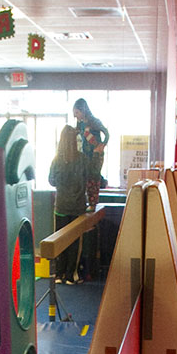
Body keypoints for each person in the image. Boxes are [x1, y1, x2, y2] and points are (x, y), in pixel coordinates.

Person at [71, 98, 109, 278]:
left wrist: (101, 145)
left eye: (77, 113)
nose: (76, 116)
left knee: (94, 178)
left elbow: (106, 133)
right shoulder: (79, 126)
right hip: (84, 156)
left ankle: (93, 201)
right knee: (86, 179)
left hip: (95, 154)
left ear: (82, 110)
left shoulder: (93, 122)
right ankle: (88, 199)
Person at [47, 125, 86, 284]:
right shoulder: (82, 158)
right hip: (77, 207)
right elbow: (90, 177)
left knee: (60, 241)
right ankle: (71, 275)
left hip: (61, 206)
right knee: (75, 242)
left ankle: (59, 274)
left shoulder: (57, 159)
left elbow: (51, 180)